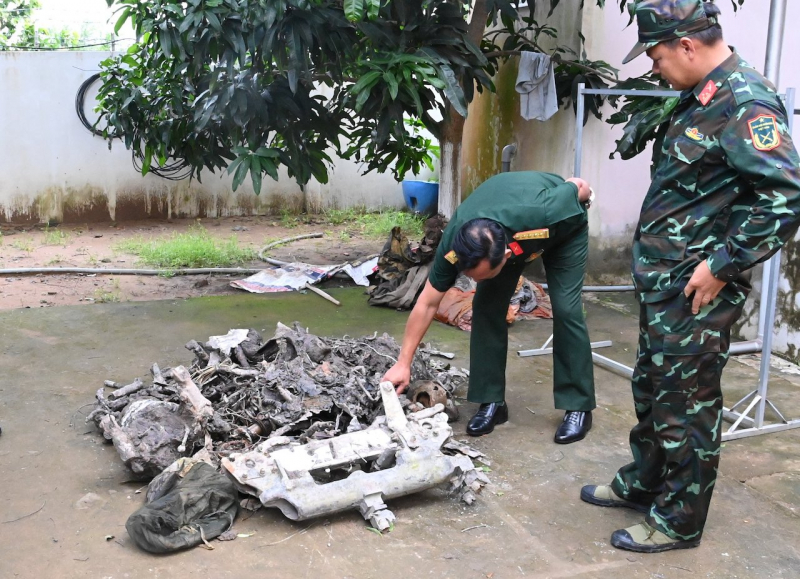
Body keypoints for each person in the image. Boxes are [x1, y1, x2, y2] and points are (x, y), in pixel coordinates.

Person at [580, 0, 800, 553]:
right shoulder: (700, 94)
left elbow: (786, 195)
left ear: (686, 45)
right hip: (666, 283)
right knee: (654, 388)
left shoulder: (745, 102)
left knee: (687, 404)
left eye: (655, 55)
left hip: (697, 288)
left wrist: (721, 266)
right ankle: (645, 480)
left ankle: (679, 519)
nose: (654, 67)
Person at [382, 170, 597, 443]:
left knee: (567, 309)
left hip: (563, 229)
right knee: (485, 307)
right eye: (471, 277)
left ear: (505, 257)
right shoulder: (455, 247)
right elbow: (426, 303)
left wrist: (586, 197)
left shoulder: (541, 208)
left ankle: (578, 406)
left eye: (481, 276)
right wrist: (404, 363)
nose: (474, 282)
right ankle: (492, 403)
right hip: (513, 238)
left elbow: (579, 186)